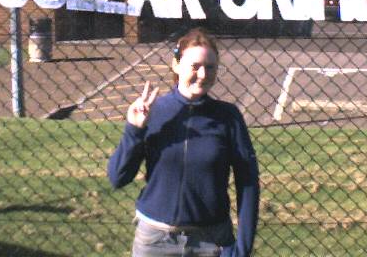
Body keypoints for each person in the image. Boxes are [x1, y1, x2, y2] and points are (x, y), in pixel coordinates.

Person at [108, 27, 260, 256]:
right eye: (195, 66)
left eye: (210, 67)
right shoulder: (155, 112)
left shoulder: (228, 117)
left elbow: (248, 185)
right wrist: (134, 130)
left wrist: (242, 247)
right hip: (155, 240)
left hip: (211, 240)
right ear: (176, 65)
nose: (203, 74)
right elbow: (118, 178)